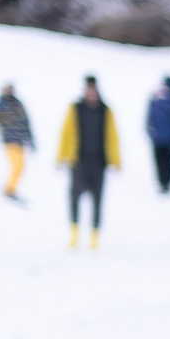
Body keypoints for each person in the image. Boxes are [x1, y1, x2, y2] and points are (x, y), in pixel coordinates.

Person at [55, 75, 119, 249]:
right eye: (88, 89)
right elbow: (66, 132)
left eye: (93, 89)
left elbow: (112, 136)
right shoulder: (75, 108)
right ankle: (74, 232)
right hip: (79, 160)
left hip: (99, 161)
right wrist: (61, 157)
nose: (90, 92)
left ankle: (94, 236)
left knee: (98, 199)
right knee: (74, 196)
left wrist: (115, 160)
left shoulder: (105, 110)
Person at [0, 83, 33, 201]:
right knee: (17, 166)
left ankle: (11, 189)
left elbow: (26, 121)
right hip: (9, 140)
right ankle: (9, 190)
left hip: (20, 140)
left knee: (21, 166)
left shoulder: (18, 104)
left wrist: (30, 140)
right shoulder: (0, 104)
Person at [145, 77, 170, 195]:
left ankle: (166, 183)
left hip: (167, 137)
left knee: (166, 161)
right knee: (162, 161)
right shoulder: (161, 99)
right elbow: (150, 117)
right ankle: (163, 183)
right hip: (161, 137)